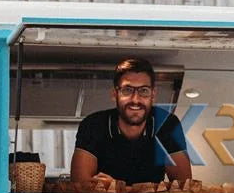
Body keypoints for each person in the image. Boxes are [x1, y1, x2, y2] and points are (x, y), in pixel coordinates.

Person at [71, 57, 193, 186]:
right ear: (114, 94)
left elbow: (184, 187)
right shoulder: (93, 125)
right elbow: (79, 186)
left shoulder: (167, 124)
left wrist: (117, 187)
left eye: (144, 91)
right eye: (127, 90)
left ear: (153, 95)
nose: (135, 99)